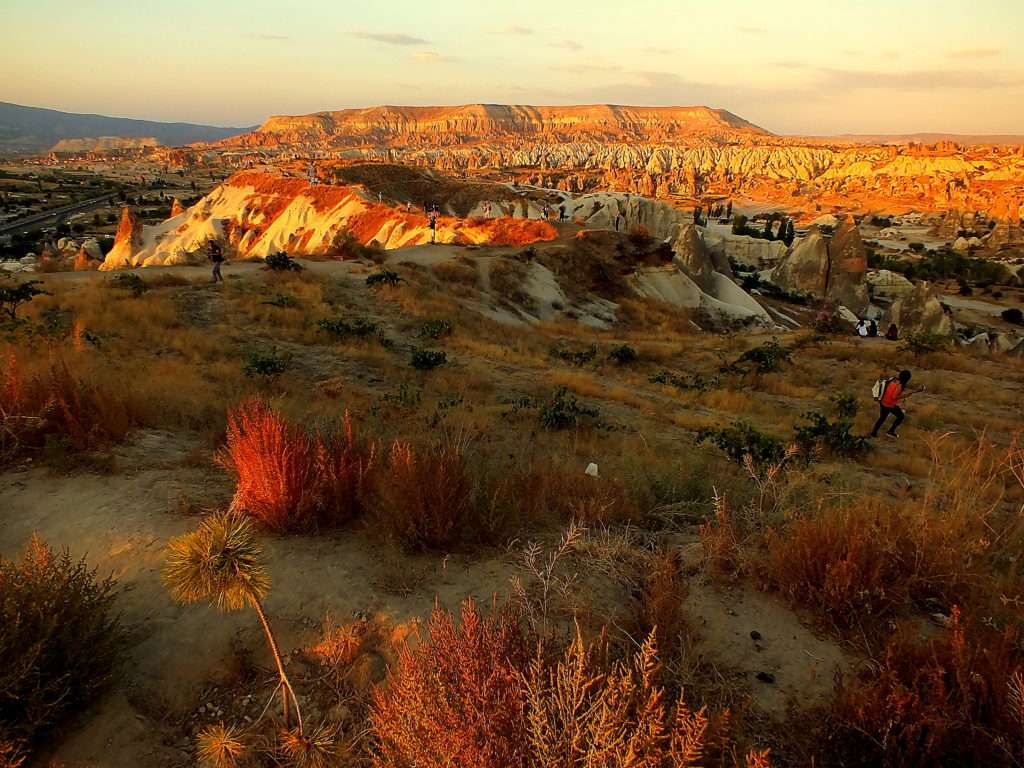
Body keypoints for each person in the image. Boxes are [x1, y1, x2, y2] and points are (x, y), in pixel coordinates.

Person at [871, 370, 919, 439]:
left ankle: (873, 433)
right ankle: (891, 431)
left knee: (882, 418)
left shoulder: (894, 380)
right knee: (901, 416)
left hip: (883, 401)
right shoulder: (901, 385)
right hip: (889, 404)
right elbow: (894, 396)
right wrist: (905, 396)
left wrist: (912, 392)